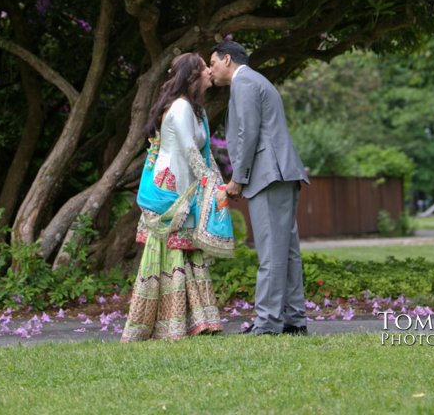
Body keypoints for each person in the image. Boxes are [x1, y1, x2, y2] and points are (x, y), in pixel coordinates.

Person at [121, 52, 229, 341]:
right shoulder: (180, 107)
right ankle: (166, 325)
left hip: (186, 187)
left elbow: (204, 154)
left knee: (187, 250)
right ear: (193, 75)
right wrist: (208, 182)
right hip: (171, 190)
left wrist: (219, 184)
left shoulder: (196, 111)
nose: (209, 71)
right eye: (205, 67)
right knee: (172, 250)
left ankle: (197, 321)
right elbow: (189, 151)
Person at [209, 39, 309, 335]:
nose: (210, 70)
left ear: (227, 59)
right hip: (277, 174)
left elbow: (248, 132)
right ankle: (293, 319)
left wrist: (237, 178)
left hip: (269, 175)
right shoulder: (253, 81)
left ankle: (267, 323)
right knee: (285, 251)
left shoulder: (245, 83)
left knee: (271, 252)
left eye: (212, 63)